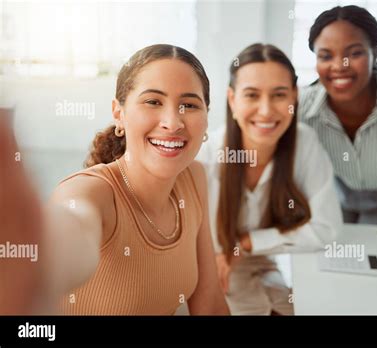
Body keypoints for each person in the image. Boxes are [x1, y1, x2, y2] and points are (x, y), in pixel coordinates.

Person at [0, 44, 229, 315]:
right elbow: (73, 227)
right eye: (153, 101)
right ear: (119, 113)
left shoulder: (194, 177)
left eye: (189, 105)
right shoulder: (90, 190)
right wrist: (30, 249)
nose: (173, 122)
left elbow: (210, 302)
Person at [197, 43, 343, 315]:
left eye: (279, 95)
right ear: (232, 100)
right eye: (251, 95)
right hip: (206, 269)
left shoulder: (304, 144)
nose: (265, 111)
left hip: (262, 266)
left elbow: (326, 229)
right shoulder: (206, 157)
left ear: (294, 98)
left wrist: (248, 242)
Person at [299, 5, 377, 226]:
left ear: (375, 51)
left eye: (354, 53)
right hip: (337, 195)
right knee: (334, 253)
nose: (340, 66)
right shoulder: (302, 106)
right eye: (326, 56)